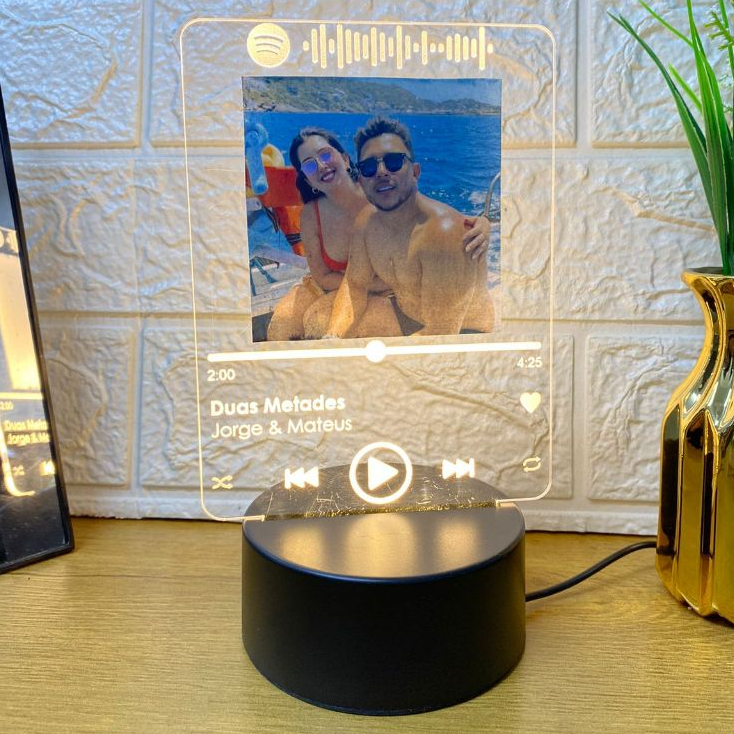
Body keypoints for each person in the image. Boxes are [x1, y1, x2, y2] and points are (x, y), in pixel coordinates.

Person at [265, 126, 490, 340]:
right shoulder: (316, 214)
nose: (321, 166)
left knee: (317, 322)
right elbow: (332, 278)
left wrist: (479, 224)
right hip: (345, 285)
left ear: (345, 159)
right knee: (281, 327)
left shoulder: (382, 194)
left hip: (394, 293)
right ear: (306, 179)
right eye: (309, 166)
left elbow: (426, 213)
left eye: (325, 155)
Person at [325, 117, 494, 337]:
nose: (381, 172)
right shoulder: (367, 223)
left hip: (463, 332)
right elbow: (354, 286)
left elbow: (442, 331)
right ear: (362, 179)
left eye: (393, 162)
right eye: (369, 167)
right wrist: (331, 338)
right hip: (407, 317)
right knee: (317, 320)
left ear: (415, 172)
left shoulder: (443, 234)